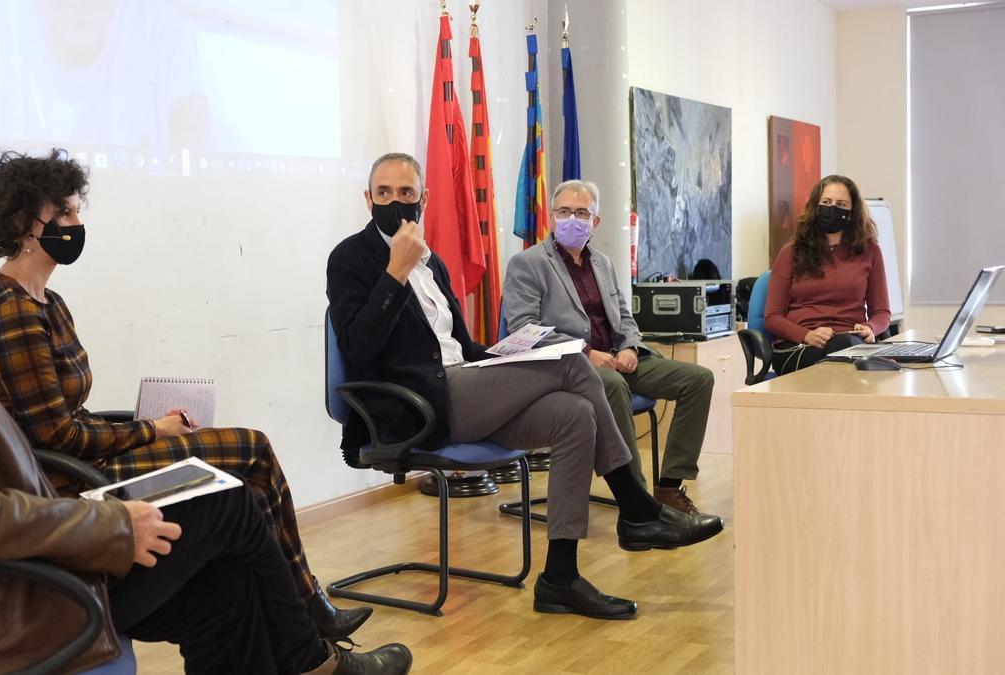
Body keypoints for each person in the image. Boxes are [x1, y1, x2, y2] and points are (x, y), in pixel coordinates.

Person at [0, 101, 410, 674]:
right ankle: (316, 658)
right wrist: (112, 525)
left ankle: (312, 654)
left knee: (226, 580)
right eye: (63, 213)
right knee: (232, 502)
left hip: (8, 546)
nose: (75, 223)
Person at [0, 149, 371, 641]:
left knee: (252, 491)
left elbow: (67, 417)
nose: (76, 221)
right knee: (252, 451)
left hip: (76, 460)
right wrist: (149, 431)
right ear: (27, 223)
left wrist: (138, 431)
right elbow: (56, 435)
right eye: (64, 212)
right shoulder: (13, 314)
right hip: (62, 484)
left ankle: (294, 630)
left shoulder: (46, 300)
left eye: (75, 209)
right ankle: (307, 614)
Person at [326, 152, 723, 621]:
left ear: (423, 200)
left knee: (574, 415)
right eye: (384, 193)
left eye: (406, 193)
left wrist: (507, 356)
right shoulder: (351, 257)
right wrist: (395, 272)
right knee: (573, 361)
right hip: (418, 407)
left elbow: (459, 344)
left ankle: (560, 577)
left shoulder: (433, 265)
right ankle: (636, 509)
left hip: (463, 385)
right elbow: (359, 346)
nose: (396, 202)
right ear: (367, 198)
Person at [503, 179, 717, 515]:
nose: (572, 219)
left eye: (581, 213)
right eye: (564, 212)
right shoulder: (528, 264)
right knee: (614, 387)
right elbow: (523, 329)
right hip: (566, 366)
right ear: (551, 217)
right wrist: (586, 352)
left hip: (616, 359)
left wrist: (630, 347)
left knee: (698, 379)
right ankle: (638, 501)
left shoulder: (603, 263)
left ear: (595, 222)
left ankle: (670, 487)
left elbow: (624, 317)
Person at [764, 174, 890, 374]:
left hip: (851, 342)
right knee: (849, 355)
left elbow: (882, 313)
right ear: (815, 206)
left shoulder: (870, 252)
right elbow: (772, 317)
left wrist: (871, 328)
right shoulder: (791, 252)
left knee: (850, 349)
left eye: (841, 204)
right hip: (798, 347)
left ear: (852, 212)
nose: (832, 208)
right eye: (826, 202)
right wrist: (806, 335)